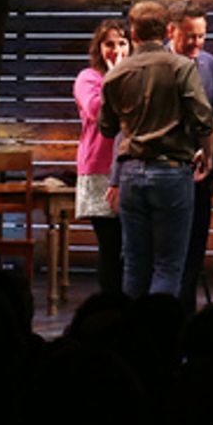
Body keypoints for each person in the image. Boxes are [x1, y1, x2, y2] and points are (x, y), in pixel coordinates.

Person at [98, 0, 213, 298]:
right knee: (168, 266)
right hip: (171, 171)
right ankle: (161, 326)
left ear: (133, 33)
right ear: (167, 31)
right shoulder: (181, 67)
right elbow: (204, 120)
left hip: (130, 172)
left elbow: (107, 128)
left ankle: (134, 327)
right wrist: (208, 155)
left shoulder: (116, 73)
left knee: (134, 265)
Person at [168, 0, 213, 314]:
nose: (197, 43)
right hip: (167, 170)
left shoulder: (209, 64)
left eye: (201, 36)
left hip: (201, 173)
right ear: (171, 31)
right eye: (190, 36)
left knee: (195, 249)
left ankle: (186, 316)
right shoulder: (156, 64)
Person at [74, 19, 130, 294]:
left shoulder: (136, 77)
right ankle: (110, 304)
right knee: (111, 246)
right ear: (99, 48)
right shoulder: (88, 78)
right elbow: (97, 110)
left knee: (131, 248)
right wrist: (114, 76)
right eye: (109, 44)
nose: (116, 50)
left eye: (122, 43)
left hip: (130, 167)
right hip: (100, 168)